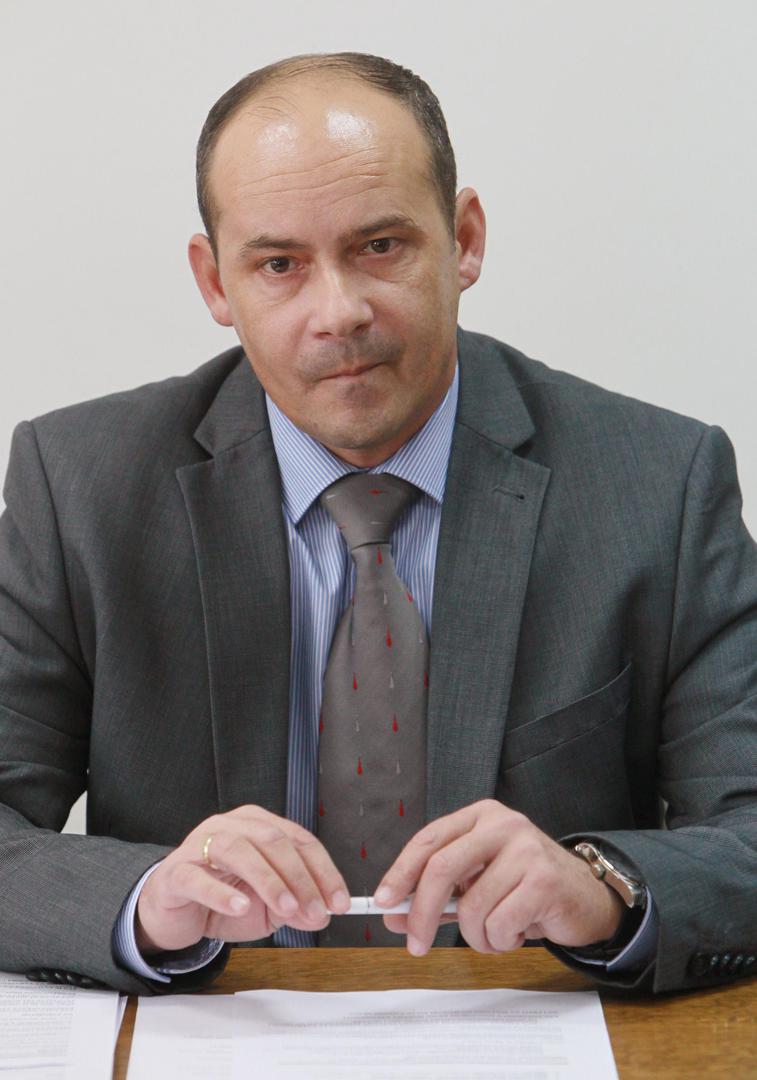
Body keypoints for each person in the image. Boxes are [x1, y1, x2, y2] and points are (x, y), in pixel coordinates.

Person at [0, 52, 755, 996]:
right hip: (217, 1028)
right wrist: (145, 899)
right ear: (215, 283)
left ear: (464, 239)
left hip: (521, 1024)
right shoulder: (79, 486)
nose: (339, 312)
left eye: (380, 247)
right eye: (279, 265)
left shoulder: (657, 484)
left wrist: (605, 890)